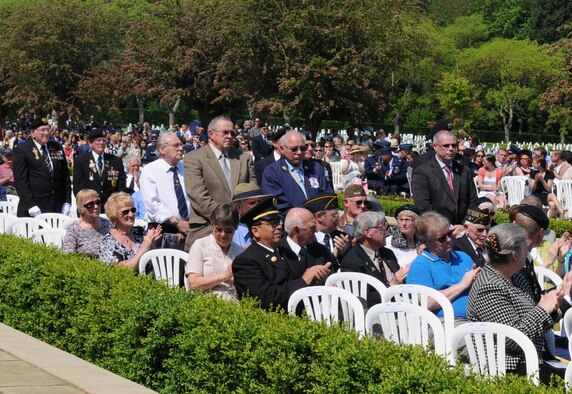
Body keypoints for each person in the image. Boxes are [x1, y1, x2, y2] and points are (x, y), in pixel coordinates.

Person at [467, 224, 564, 380]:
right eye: (526, 248)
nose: (528, 252)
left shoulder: (516, 276)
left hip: (531, 361)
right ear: (515, 256)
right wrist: (543, 309)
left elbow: (533, 320)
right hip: (506, 369)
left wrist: (555, 304)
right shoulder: (490, 287)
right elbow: (513, 340)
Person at [232, 197, 332, 311]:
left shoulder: (285, 252)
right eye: (272, 224)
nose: (279, 227)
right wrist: (304, 280)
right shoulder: (246, 261)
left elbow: (300, 280)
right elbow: (266, 299)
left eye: (278, 222)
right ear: (256, 231)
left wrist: (316, 278)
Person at [184, 115, 256, 250]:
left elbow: (253, 195)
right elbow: (199, 197)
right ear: (211, 134)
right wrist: (229, 220)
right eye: (225, 132)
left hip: (243, 230)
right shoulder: (194, 159)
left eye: (232, 133)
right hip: (208, 228)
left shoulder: (244, 159)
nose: (230, 136)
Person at [406, 211, 480, 319]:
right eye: (442, 238)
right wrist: (463, 284)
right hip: (445, 323)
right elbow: (427, 303)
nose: (449, 240)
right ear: (425, 242)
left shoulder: (462, 256)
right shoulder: (420, 265)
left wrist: (477, 281)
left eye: (449, 234)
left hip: (478, 318)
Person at [340, 211, 407, 307]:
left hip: (400, 306)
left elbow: (400, 280)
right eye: (381, 228)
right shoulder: (352, 261)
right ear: (367, 232)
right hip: (374, 314)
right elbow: (361, 299)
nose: (386, 231)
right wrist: (391, 288)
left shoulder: (387, 253)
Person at [412, 130, 477, 225]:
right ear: (435, 147)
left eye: (454, 145)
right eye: (446, 146)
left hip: (462, 228)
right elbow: (423, 207)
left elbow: (473, 201)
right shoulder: (423, 172)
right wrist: (447, 227)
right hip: (437, 229)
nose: (451, 149)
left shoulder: (464, 171)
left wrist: (466, 224)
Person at [262, 130, 333, 215]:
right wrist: (303, 218)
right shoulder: (272, 172)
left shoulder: (316, 168)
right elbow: (279, 205)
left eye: (303, 148)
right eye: (294, 149)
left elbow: (327, 195)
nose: (299, 152)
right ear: (282, 149)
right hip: (292, 224)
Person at [140, 132, 191, 249]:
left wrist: (186, 224)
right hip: (163, 229)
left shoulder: (185, 168)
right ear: (162, 150)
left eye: (181, 145)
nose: (181, 148)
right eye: (176, 145)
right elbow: (153, 205)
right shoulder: (150, 170)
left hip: (188, 228)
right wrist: (177, 223)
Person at [12, 117, 71, 217]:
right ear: (32, 132)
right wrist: (30, 204)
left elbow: (64, 175)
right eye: (42, 130)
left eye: (48, 129)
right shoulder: (23, 150)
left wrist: (67, 201)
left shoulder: (56, 147)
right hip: (34, 206)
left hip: (57, 205)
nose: (46, 133)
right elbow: (20, 181)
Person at [185, 204, 242, 301]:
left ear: (235, 229)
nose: (223, 235)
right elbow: (193, 284)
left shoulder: (240, 252)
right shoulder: (200, 245)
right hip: (206, 302)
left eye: (228, 231)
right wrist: (224, 276)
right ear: (212, 226)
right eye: (218, 230)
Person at [98, 192, 162, 269]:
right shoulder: (108, 242)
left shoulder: (140, 232)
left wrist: (152, 244)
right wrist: (144, 247)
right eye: (125, 212)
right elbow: (123, 271)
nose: (131, 214)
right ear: (114, 214)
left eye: (133, 210)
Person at [73, 128, 127, 212]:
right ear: (90, 143)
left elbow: (121, 184)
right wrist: (87, 204)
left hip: (110, 208)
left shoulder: (115, 161)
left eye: (103, 140)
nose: (101, 143)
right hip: (88, 207)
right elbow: (78, 187)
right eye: (98, 140)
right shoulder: (81, 160)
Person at [63, 189, 112, 258]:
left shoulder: (107, 224)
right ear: (81, 208)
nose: (96, 207)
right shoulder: (74, 230)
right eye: (90, 204)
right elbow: (68, 256)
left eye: (97, 202)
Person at [304, 193, 350, 259]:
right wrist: (333, 257)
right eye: (334, 216)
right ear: (319, 217)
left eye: (337, 215)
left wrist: (343, 253)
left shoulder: (343, 238)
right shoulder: (307, 241)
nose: (338, 218)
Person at [231, 182, 269, 249]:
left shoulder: (270, 227)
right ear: (239, 208)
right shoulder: (232, 234)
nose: (258, 206)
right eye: (252, 203)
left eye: (260, 202)